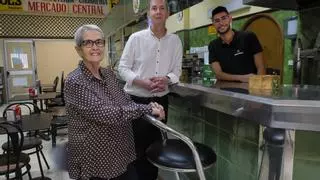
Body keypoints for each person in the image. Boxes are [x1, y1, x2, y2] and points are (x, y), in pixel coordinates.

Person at [64, 24, 165, 180]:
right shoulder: (75, 81)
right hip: (95, 160)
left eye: (99, 42)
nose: (95, 47)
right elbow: (106, 113)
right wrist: (147, 110)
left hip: (120, 154)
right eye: (88, 43)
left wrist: (149, 105)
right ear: (78, 49)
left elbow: (125, 101)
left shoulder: (108, 74)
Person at [118, 0, 183, 179]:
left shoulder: (175, 41)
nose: (158, 11)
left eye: (162, 8)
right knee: (134, 147)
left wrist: (167, 80)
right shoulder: (136, 38)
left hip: (160, 102)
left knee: (156, 146)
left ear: (167, 13)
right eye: (154, 8)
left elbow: (177, 71)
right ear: (148, 13)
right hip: (135, 100)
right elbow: (122, 68)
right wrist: (141, 82)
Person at [209, 6, 265, 83]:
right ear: (213, 24)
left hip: (250, 90)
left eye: (224, 18)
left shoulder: (248, 37)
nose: (221, 23)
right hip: (226, 92)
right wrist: (242, 78)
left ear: (230, 18)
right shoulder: (213, 45)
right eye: (217, 21)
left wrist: (259, 87)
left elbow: (261, 67)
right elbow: (218, 74)